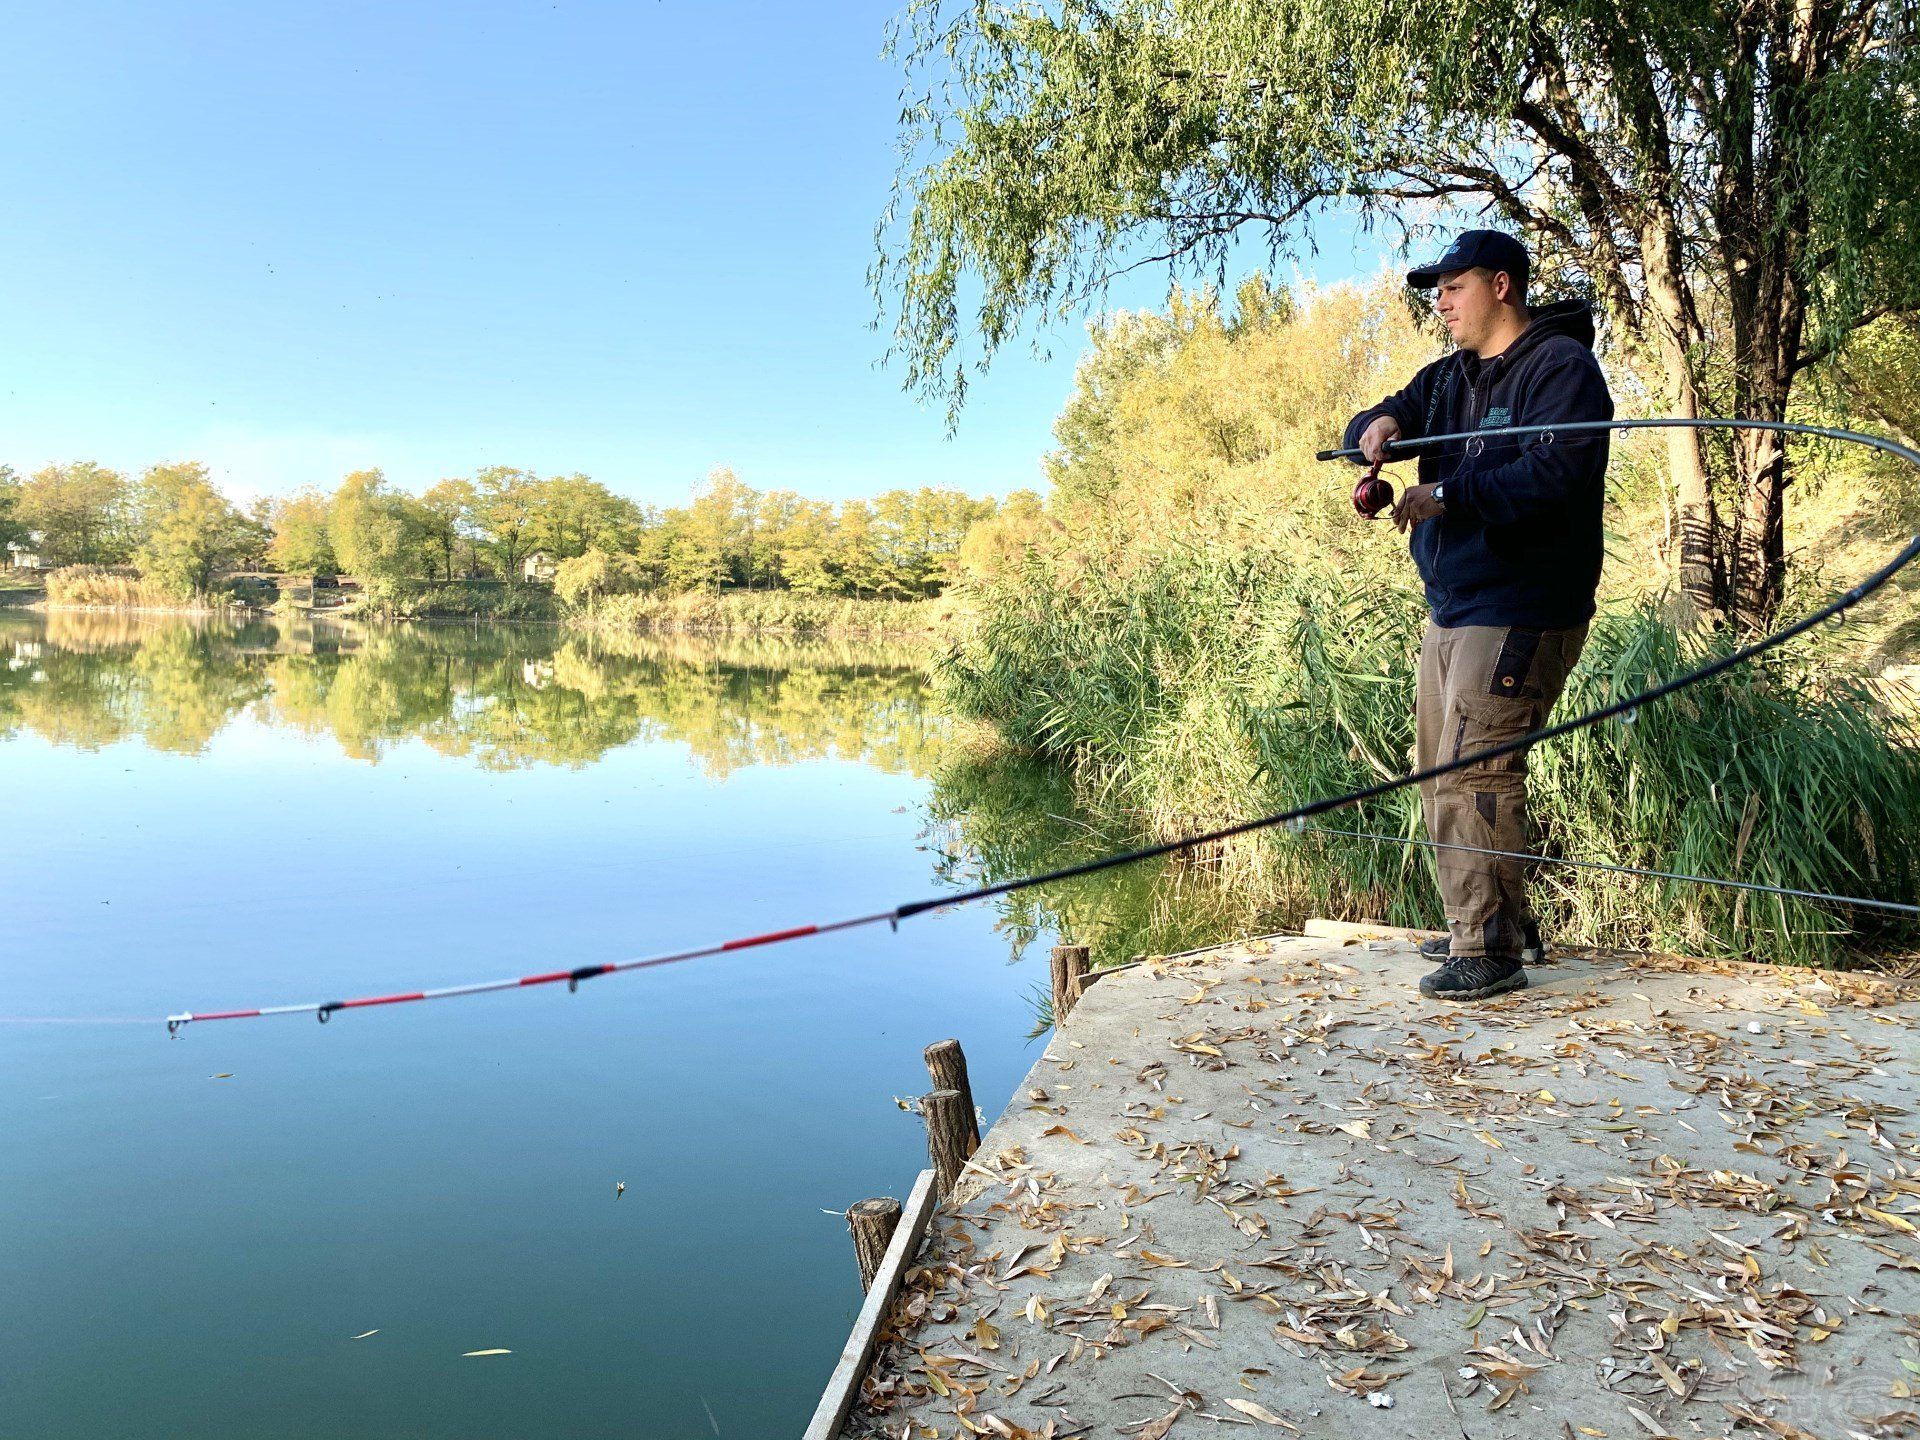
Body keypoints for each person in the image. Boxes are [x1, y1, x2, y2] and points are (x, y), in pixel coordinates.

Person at [1343, 230, 1613, 1000]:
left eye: (1454, 286)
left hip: (1524, 603)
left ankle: (1488, 949)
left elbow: (1555, 473)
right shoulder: (1446, 379)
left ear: (1502, 285)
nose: (1442, 301)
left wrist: (1450, 494)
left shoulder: (1561, 368)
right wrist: (1377, 429)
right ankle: (1492, 921)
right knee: (1440, 768)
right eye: (1438, 289)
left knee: (1477, 769)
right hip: (1452, 603)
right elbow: (1385, 412)